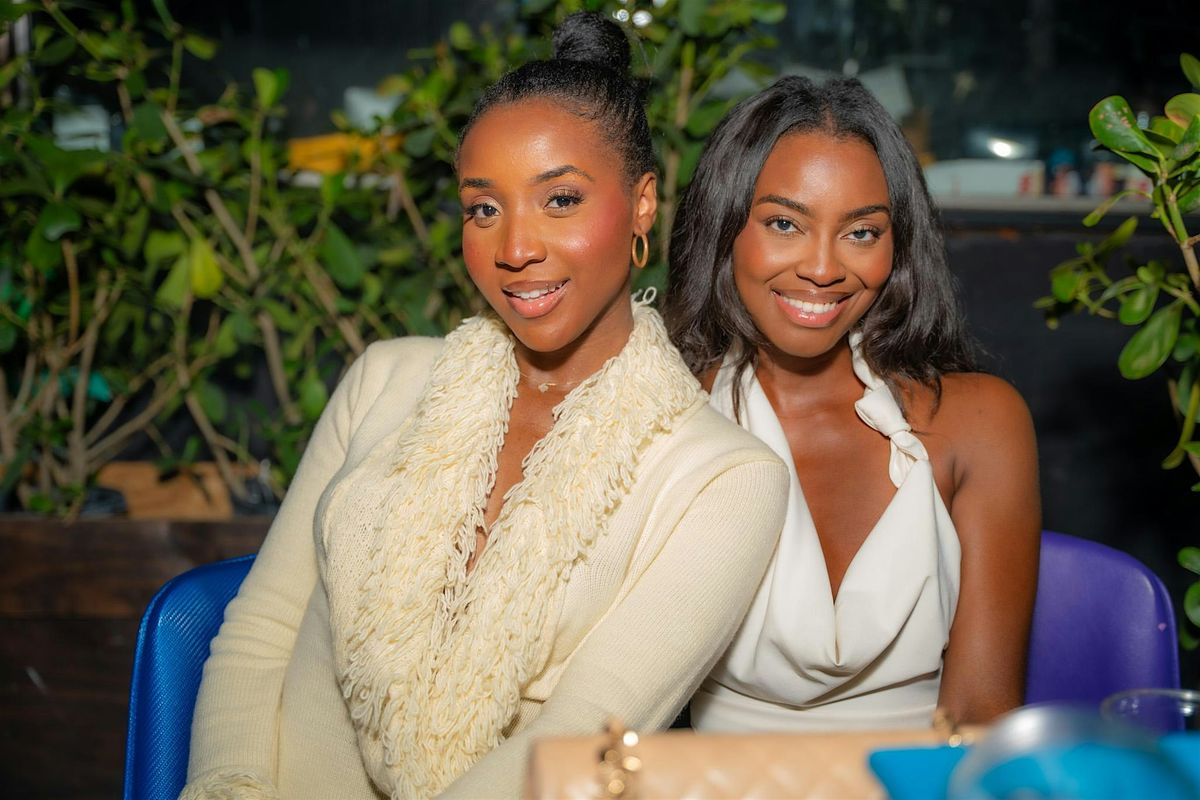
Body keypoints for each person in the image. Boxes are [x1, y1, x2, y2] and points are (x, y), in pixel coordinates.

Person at [181, 13, 788, 800]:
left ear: (642, 205)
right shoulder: (385, 382)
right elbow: (261, 633)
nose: (515, 249)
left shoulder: (723, 478)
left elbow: (580, 739)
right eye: (483, 209)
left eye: (560, 200)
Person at [664, 76, 1040, 732]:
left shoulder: (980, 424)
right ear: (725, 229)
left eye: (861, 233)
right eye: (785, 223)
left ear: (897, 248)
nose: (822, 268)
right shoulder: (661, 419)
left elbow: (981, 715)